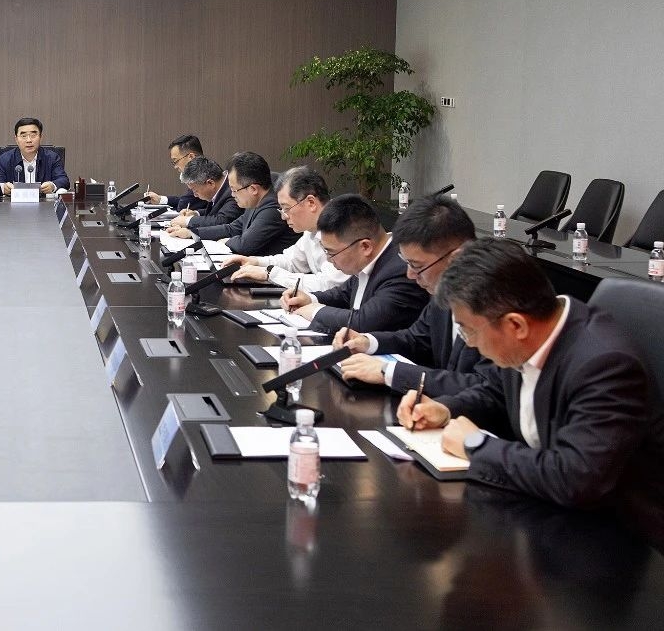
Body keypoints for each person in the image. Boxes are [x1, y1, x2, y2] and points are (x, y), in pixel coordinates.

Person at [399, 239, 664, 511]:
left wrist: (475, 445)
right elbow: (496, 392)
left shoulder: (604, 366)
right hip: (545, 502)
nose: (469, 343)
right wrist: (445, 409)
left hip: (613, 524)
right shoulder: (532, 334)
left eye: (469, 331)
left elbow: (575, 476)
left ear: (516, 325)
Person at [334, 194, 491, 396]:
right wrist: (368, 342)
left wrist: (389, 372)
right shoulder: (442, 291)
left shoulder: (496, 300)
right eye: (406, 263)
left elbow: (486, 387)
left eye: (417, 265)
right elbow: (416, 339)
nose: (410, 274)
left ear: (455, 259)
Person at [282, 193, 427, 333]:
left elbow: (364, 322)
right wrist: (310, 299)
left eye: (332, 253)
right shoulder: (370, 261)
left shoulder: (402, 270)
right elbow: (344, 294)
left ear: (365, 247)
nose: (328, 259)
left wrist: (315, 311)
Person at [221, 166, 348, 293]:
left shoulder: (342, 227)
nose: (283, 216)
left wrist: (269, 274)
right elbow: (292, 261)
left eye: (286, 208)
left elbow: (329, 284)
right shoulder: (311, 229)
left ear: (311, 203)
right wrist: (254, 261)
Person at [214, 152, 298, 255]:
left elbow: (245, 245)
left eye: (234, 190)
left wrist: (227, 241)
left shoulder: (274, 206)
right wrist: (196, 232)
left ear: (253, 189)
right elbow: (233, 228)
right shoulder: (257, 197)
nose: (232, 194)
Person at [164, 157, 240, 239]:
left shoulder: (234, 192)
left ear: (210, 183)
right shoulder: (221, 187)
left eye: (195, 190)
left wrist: (188, 221)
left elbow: (223, 220)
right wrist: (196, 213)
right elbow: (217, 211)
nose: (195, 195)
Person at [0, 117, 69, 195]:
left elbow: (64, 180)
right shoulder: (4, 160)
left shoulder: (52, 158)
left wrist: (52, 186)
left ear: (40, 137)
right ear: (16, 139)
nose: (29, 140)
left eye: (33, 135)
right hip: (13, 202)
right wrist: (3, 188)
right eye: (23, 136)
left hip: (43, 202)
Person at [145, 134, 205, 212]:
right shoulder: (202, 170)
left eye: (176, 161)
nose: (175, 166)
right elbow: (186, 200)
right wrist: (160, 199)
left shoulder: (204, 174)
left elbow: (183, 205)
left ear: (191, 157)